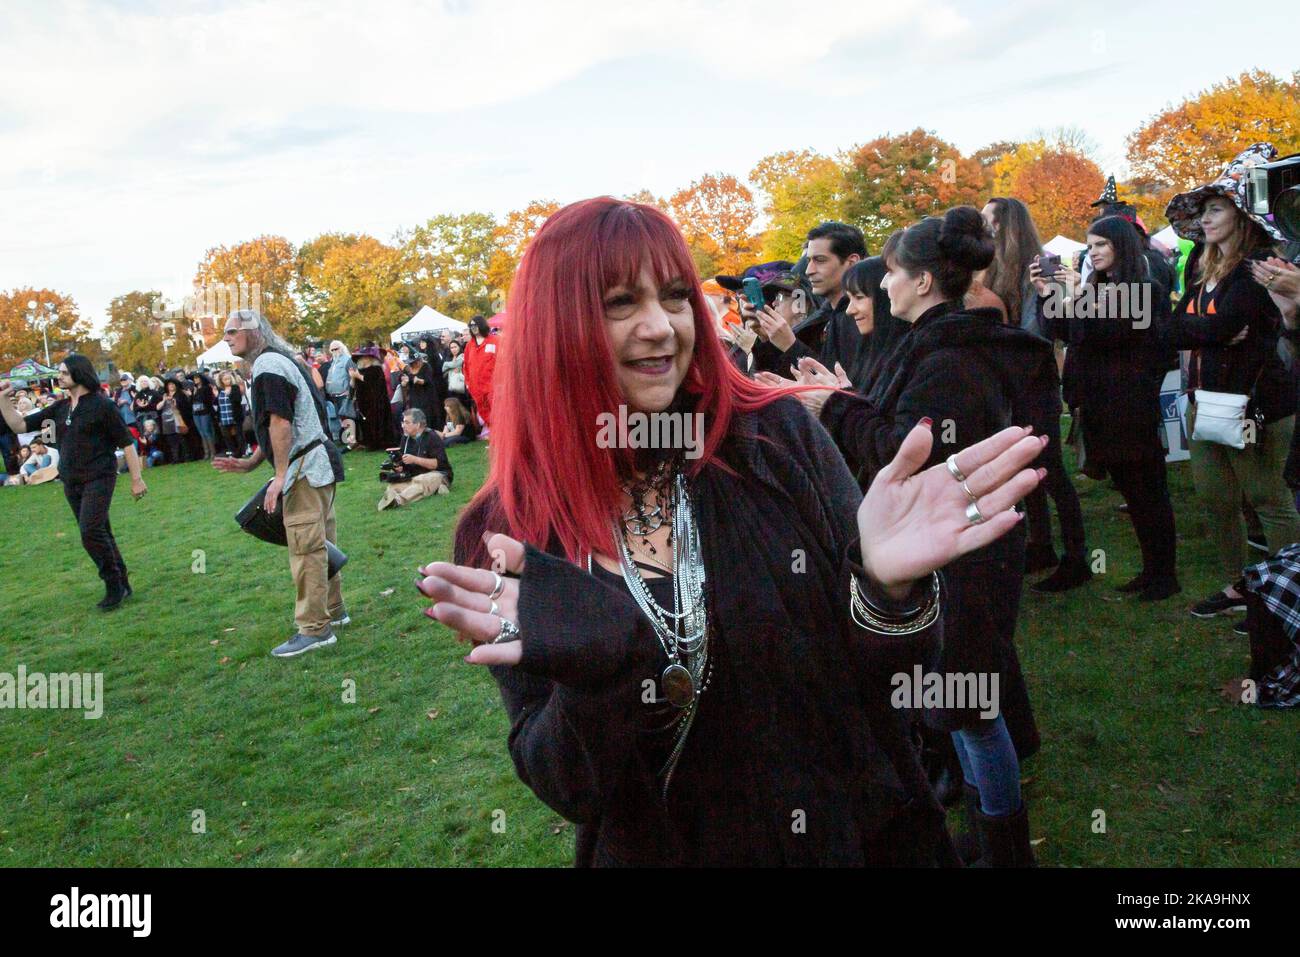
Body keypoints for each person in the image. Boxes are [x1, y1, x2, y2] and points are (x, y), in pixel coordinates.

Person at [415, 196, 1044, 867]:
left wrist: (887, 591)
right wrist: (595, 678)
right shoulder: (510, 527)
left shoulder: (771, 438)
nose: (661, 327)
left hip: (856, 837)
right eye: (621, 302)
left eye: (676, 295)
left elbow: (891, 691)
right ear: (553, 325)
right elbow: (569, 785)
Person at [801, 207, 1055, 864]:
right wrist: (847, 400)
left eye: (888, 276)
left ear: (919, 281)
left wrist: (837, 408)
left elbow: (905, 451)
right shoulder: (944, 345)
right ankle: (992, 822)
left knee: (970, 703)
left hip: (968, 550)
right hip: (963, 543)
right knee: (962, 697)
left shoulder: (953, 357)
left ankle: (1005, 843)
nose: (881, 290)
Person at [1161, 143, 1300, 625]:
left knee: (1267, 500)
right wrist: (1211, 332)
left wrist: (1205, 331)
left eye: (1215, 208)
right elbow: (1172, 327)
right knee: (1215, 500)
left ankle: (1283, 593)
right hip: (1204, 400)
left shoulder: (1258, 264)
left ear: (1240, 215)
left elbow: (1224, 327)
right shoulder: (1202, 267)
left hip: (1256, 404)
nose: (1204, 220)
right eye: (1201, 212)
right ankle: (1242, 584)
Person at [1033, 215, 1177, 598]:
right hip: (1098, 403)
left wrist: (1078, 296)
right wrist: (1050, 294)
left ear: (1122, 246)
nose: (1092, 252)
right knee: (1131, 491)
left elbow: (1115, 333)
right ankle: (1152, 571)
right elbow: (1063, 332)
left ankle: (1164, 575)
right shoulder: (1099, 287)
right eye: (1090, 245)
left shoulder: (1144, 290)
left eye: (1101, 245)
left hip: (1131, 406)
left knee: (1149, 493)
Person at [213, 310, 349, 658]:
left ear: (254, 331)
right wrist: (251, 463)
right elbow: (276, 424)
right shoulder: (276, 361)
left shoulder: (268, 366)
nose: (226, 338)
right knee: (319, 543)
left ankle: (315, 629)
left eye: (232, 331)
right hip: (316, 464)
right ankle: (334, 611)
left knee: (306, 549)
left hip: (306, 468)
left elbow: (281, 423)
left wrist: (281, 475)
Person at [0, 355, 147, 610]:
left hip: (99, 477)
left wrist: (137, 479)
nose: (60, 376)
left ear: (79, 373)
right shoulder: (60, 408)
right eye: (60, 372)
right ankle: (122, 582)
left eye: (64, 372)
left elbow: (127, 443)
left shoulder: (102, 406)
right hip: (71, 481)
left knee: (90, 532)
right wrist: (1, 399)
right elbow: (20, 424)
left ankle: (113, 583)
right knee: (101, 532)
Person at [376, 408, 452, 510]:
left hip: (438, 474)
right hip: (414, 476)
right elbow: (404, 463)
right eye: (403, 422)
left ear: (418, 424)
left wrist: (415, 459)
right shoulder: (405, 438)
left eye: (407, 422)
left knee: (422, 481)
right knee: (393, 485)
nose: (403, 426)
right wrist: (398, 467)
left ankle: (398, 501)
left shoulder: (432, 437)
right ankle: (435, 489)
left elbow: (436, 464)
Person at [351, 345, 392, 451]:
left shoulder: (376, 369)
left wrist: (357, 376)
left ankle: (379, 443)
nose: (361, 360)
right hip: (363, 400)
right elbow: (353, 385)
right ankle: (369, 442)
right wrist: (353, 377)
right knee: (365, 422)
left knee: (377, 421)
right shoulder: (359, 370)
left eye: (363, 357)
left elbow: (371, 382)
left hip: (376, 400)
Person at [462, 315, 500, 429]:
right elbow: (466, 366)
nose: (473, 327)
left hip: (493, 387)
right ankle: (494, 439)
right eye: (471, 325)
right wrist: (468, 383)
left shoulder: (496, 341)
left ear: (481, 325)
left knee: (498, 413)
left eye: (475, 325)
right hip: (476, 389)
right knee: (485, 415)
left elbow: (502, 362)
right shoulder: (469, 345)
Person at [323, 340, 357, 446]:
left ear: (342, 348)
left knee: (348, 417)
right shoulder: (333, 362)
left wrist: (350, 391)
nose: (334, 351)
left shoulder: (348, 360)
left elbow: (353, 376)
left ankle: (351, 441)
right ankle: (346, 440)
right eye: (332, 349)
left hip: (345, 395)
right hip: (334, 395)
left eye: (336, 348)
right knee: (341, 419)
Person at [214, 370, 247, 456]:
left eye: (228, 378)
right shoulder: (219, 390)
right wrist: (216, 395)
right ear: (221, 381)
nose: (227, 381)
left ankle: (241, 452)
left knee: (238, 435)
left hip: (234, 415)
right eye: (225, 379)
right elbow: (216, 404)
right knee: (227, 436)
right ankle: (232, 452)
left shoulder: (235, 387)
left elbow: (237, 400)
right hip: (224, 416)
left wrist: (229, 394)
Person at [188, 371, 218, 460]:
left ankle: (213, 452)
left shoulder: (206, 388)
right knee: (201, 433)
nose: (195, 380)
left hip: (205, 412)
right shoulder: (194, 389)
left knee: (207, 432)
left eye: (197, 378)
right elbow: (191, 402)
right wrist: (192, 394)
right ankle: (206, 453)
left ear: (201, 379)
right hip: (196, 413)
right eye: (194, 378)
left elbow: (207, 400)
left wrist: (197, 393)